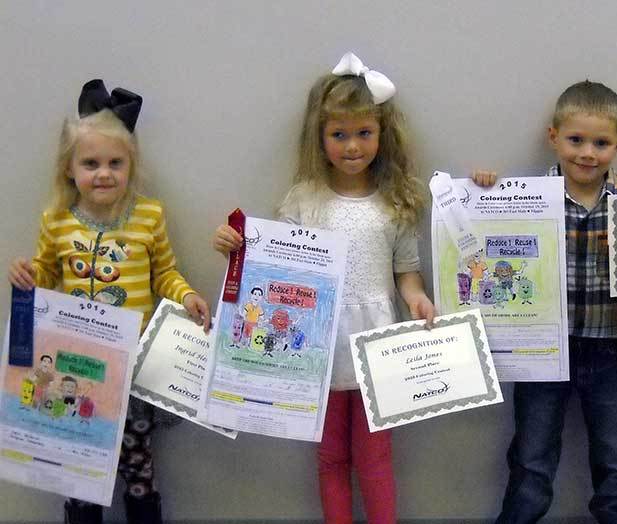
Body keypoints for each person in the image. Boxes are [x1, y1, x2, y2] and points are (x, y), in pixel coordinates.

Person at [214, 52, 435, 524]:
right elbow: (275, 275)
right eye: (339, 134)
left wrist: (418, 300)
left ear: (382, 134)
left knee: (375, 461)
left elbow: (407, 275)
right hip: (314, 347)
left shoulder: (397, 202)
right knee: (331, 458)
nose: (352, 146)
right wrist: (236, 249)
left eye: (363, 133)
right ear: (320, 137)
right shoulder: (302, 200)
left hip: (378, 346)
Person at [472, 79, 617, 523]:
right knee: (532, 458)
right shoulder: (524, 199)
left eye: (601, 143)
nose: (587, 153)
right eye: (575, 140)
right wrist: (483, 190)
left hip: (608, 349)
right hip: (540, 350)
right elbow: (476, 237)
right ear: (553, 137)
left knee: (616, 457)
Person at [8, 79, 211, 524]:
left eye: (115, 163)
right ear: (69, 169)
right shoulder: (56, 222)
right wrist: (27, 276)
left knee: (138, 462)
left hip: (132, 366)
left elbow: (165, 275)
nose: (104, 173)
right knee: (78, 465)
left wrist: (189, 295)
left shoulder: (148, 216)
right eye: (91, 163)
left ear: (130, 166)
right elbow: (45, 276)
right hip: (74, 367)